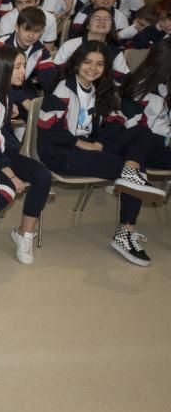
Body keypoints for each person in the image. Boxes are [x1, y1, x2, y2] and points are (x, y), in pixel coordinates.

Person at [37, 41, 167, 266]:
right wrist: (80, 143)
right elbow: (46, 127)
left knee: (141, 134)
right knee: (135, 169)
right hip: (62, 153)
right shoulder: (63, 88)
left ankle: (131, 177)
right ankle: (125, 232)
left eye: (99, 64)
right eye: (87, 62)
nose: (93, 68)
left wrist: (100, 143)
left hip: (91, 147)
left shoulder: (103, 90)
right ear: (77, 63)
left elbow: (116, 122)